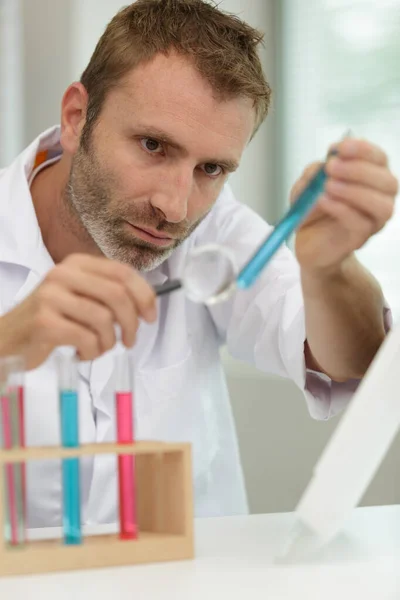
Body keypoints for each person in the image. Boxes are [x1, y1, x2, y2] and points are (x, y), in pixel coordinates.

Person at [0, 0, 397, 526]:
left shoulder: (215, 233)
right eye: (153, 145)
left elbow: (348, 360)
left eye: (211, 168)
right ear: (77, 117)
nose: (175, 207)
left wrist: (329, 269)